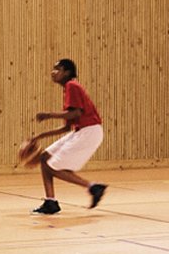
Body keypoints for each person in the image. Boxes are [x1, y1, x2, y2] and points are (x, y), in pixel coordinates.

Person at [23, 59, 109, 214]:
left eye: (58, 69)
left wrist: (49, 115)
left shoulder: (72, 86)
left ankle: (93, 187)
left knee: (52, 166)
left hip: (89, 131)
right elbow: (67, 127)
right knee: (44, 158)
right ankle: (51, 202)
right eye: (53, 68)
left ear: (67, 72)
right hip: (79, 131)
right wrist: (39, 136)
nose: (53, 72)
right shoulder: (68, 89)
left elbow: (76, 113)